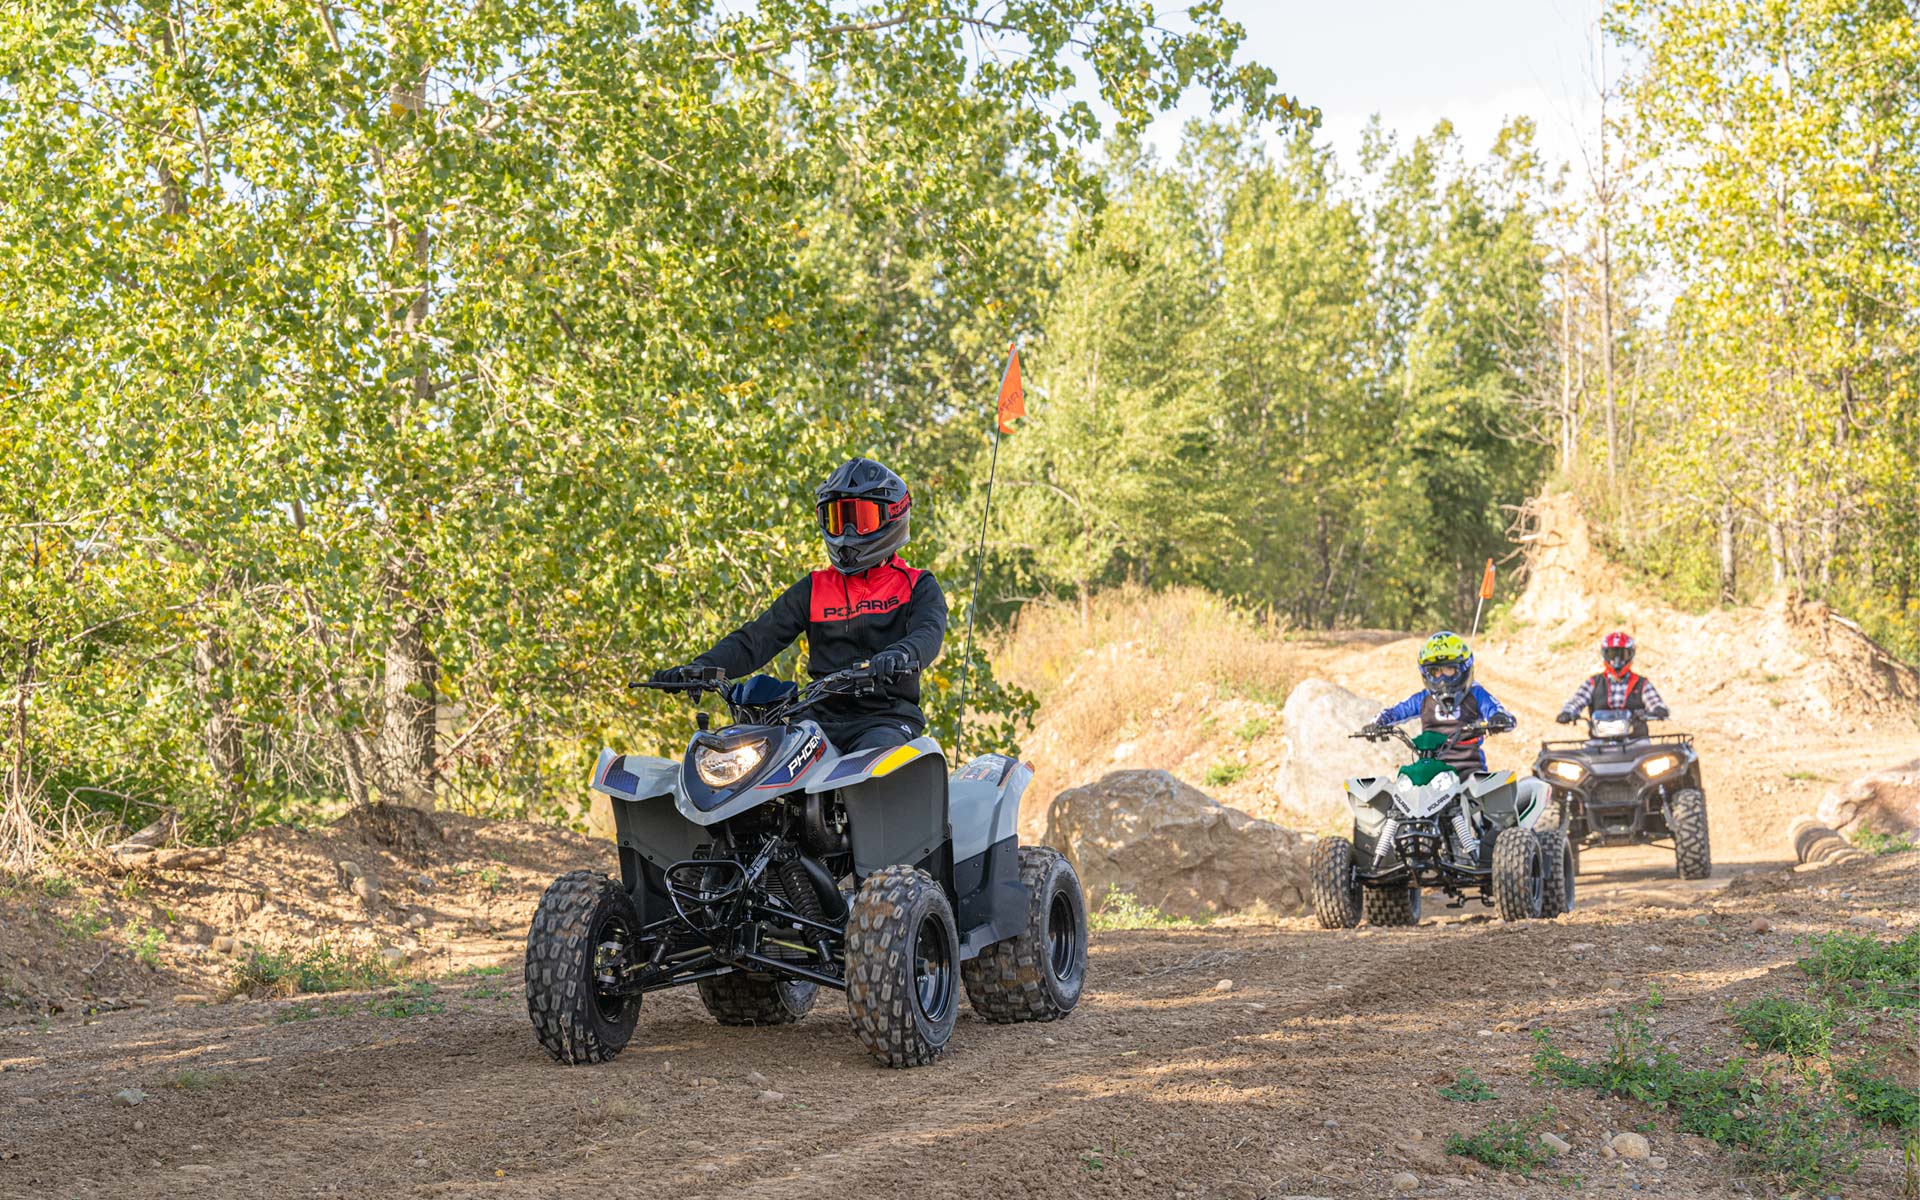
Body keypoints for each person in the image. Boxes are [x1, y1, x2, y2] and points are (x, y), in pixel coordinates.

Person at [651, 457, 947, 752]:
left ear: (892, 517)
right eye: (837, 519)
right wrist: (701, 667)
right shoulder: (814, 587)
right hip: (818, 720)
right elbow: (756, 639)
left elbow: (928, 632)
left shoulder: (917, 584)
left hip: (886, 720)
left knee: (872, 764)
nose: (848, 532)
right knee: (760, 759)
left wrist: (901, 654)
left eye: (861, 519)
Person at [1370, 630, 1517, 773]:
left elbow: (1502, 714)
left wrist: (1499, 719)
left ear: (1464, 669)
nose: (1442, 678)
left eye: (1449, 669)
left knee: (1489, 785)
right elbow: (1395, 711)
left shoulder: (1476, 694)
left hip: (1469, 768)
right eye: (1435, 671)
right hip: (1431, 770)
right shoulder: (1423, 698)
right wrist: (1377, 723)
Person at [1556, 630, 1669, 724]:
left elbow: (1654, 701)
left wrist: (1659, 709)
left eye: (1622, 655)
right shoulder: (1594, 683)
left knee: (1648, 746)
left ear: (1631, 655)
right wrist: (1567, 712)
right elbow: (1577, 701)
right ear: (1604, 655)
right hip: (1600, 739)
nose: (1617, 660)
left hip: (1635, 739)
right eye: (1612, 655)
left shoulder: (1641, 683)